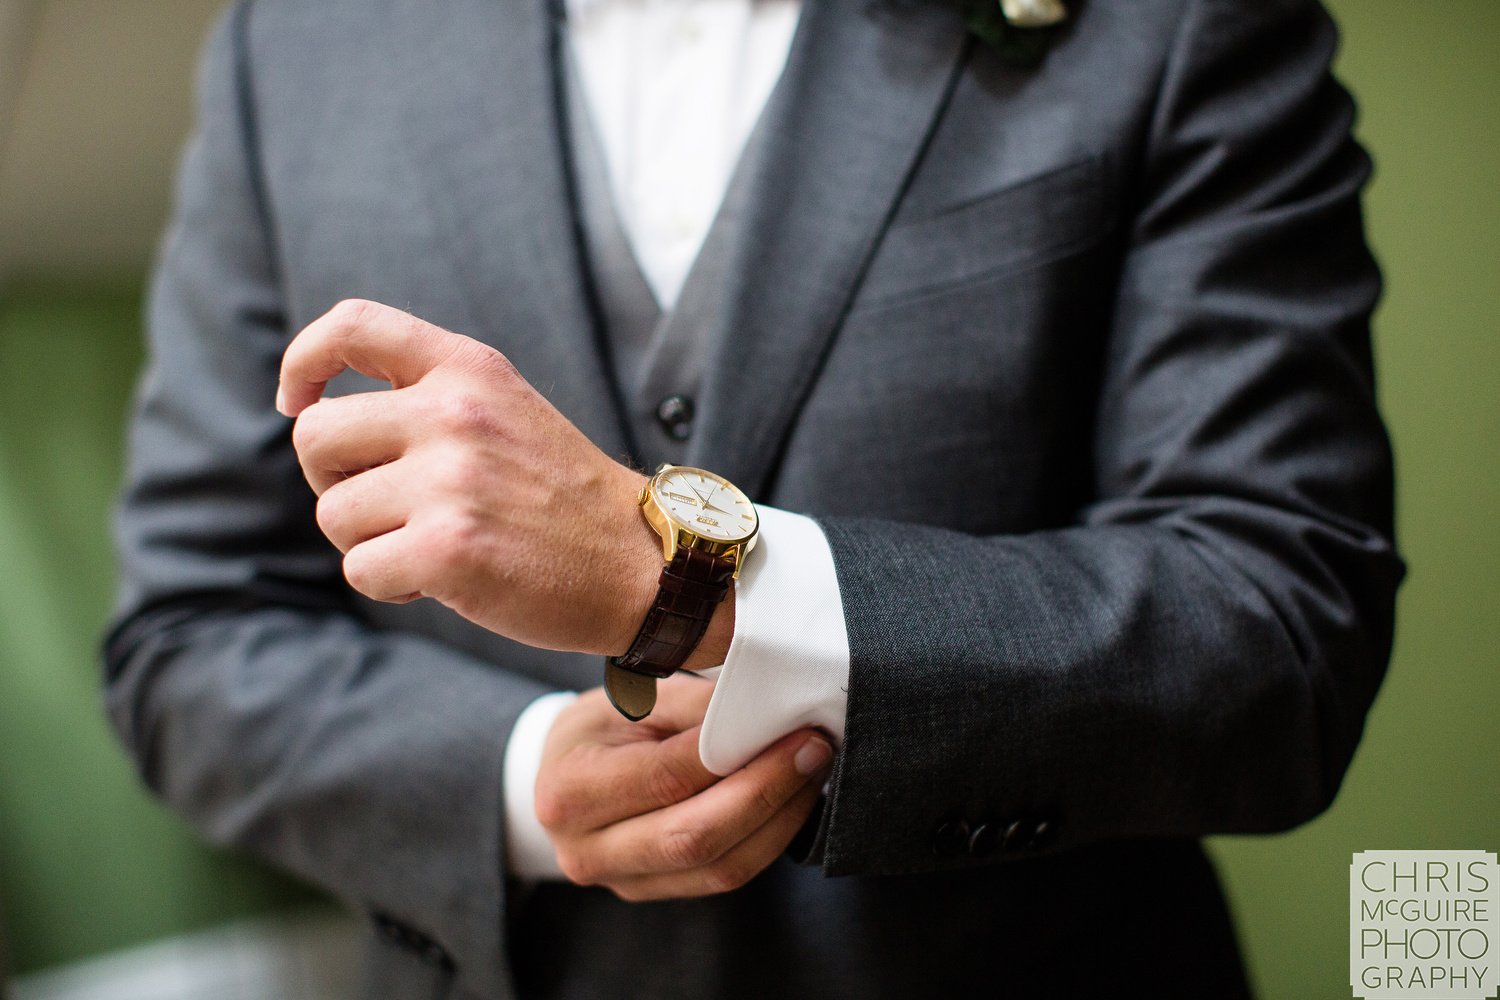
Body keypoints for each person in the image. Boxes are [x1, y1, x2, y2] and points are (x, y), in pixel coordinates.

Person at [104, 0, 1403, 996]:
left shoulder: (1177, 22)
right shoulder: (296, 42)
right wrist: (520, 787)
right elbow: (189, 639)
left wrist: (673, 574)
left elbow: (1280, 627)